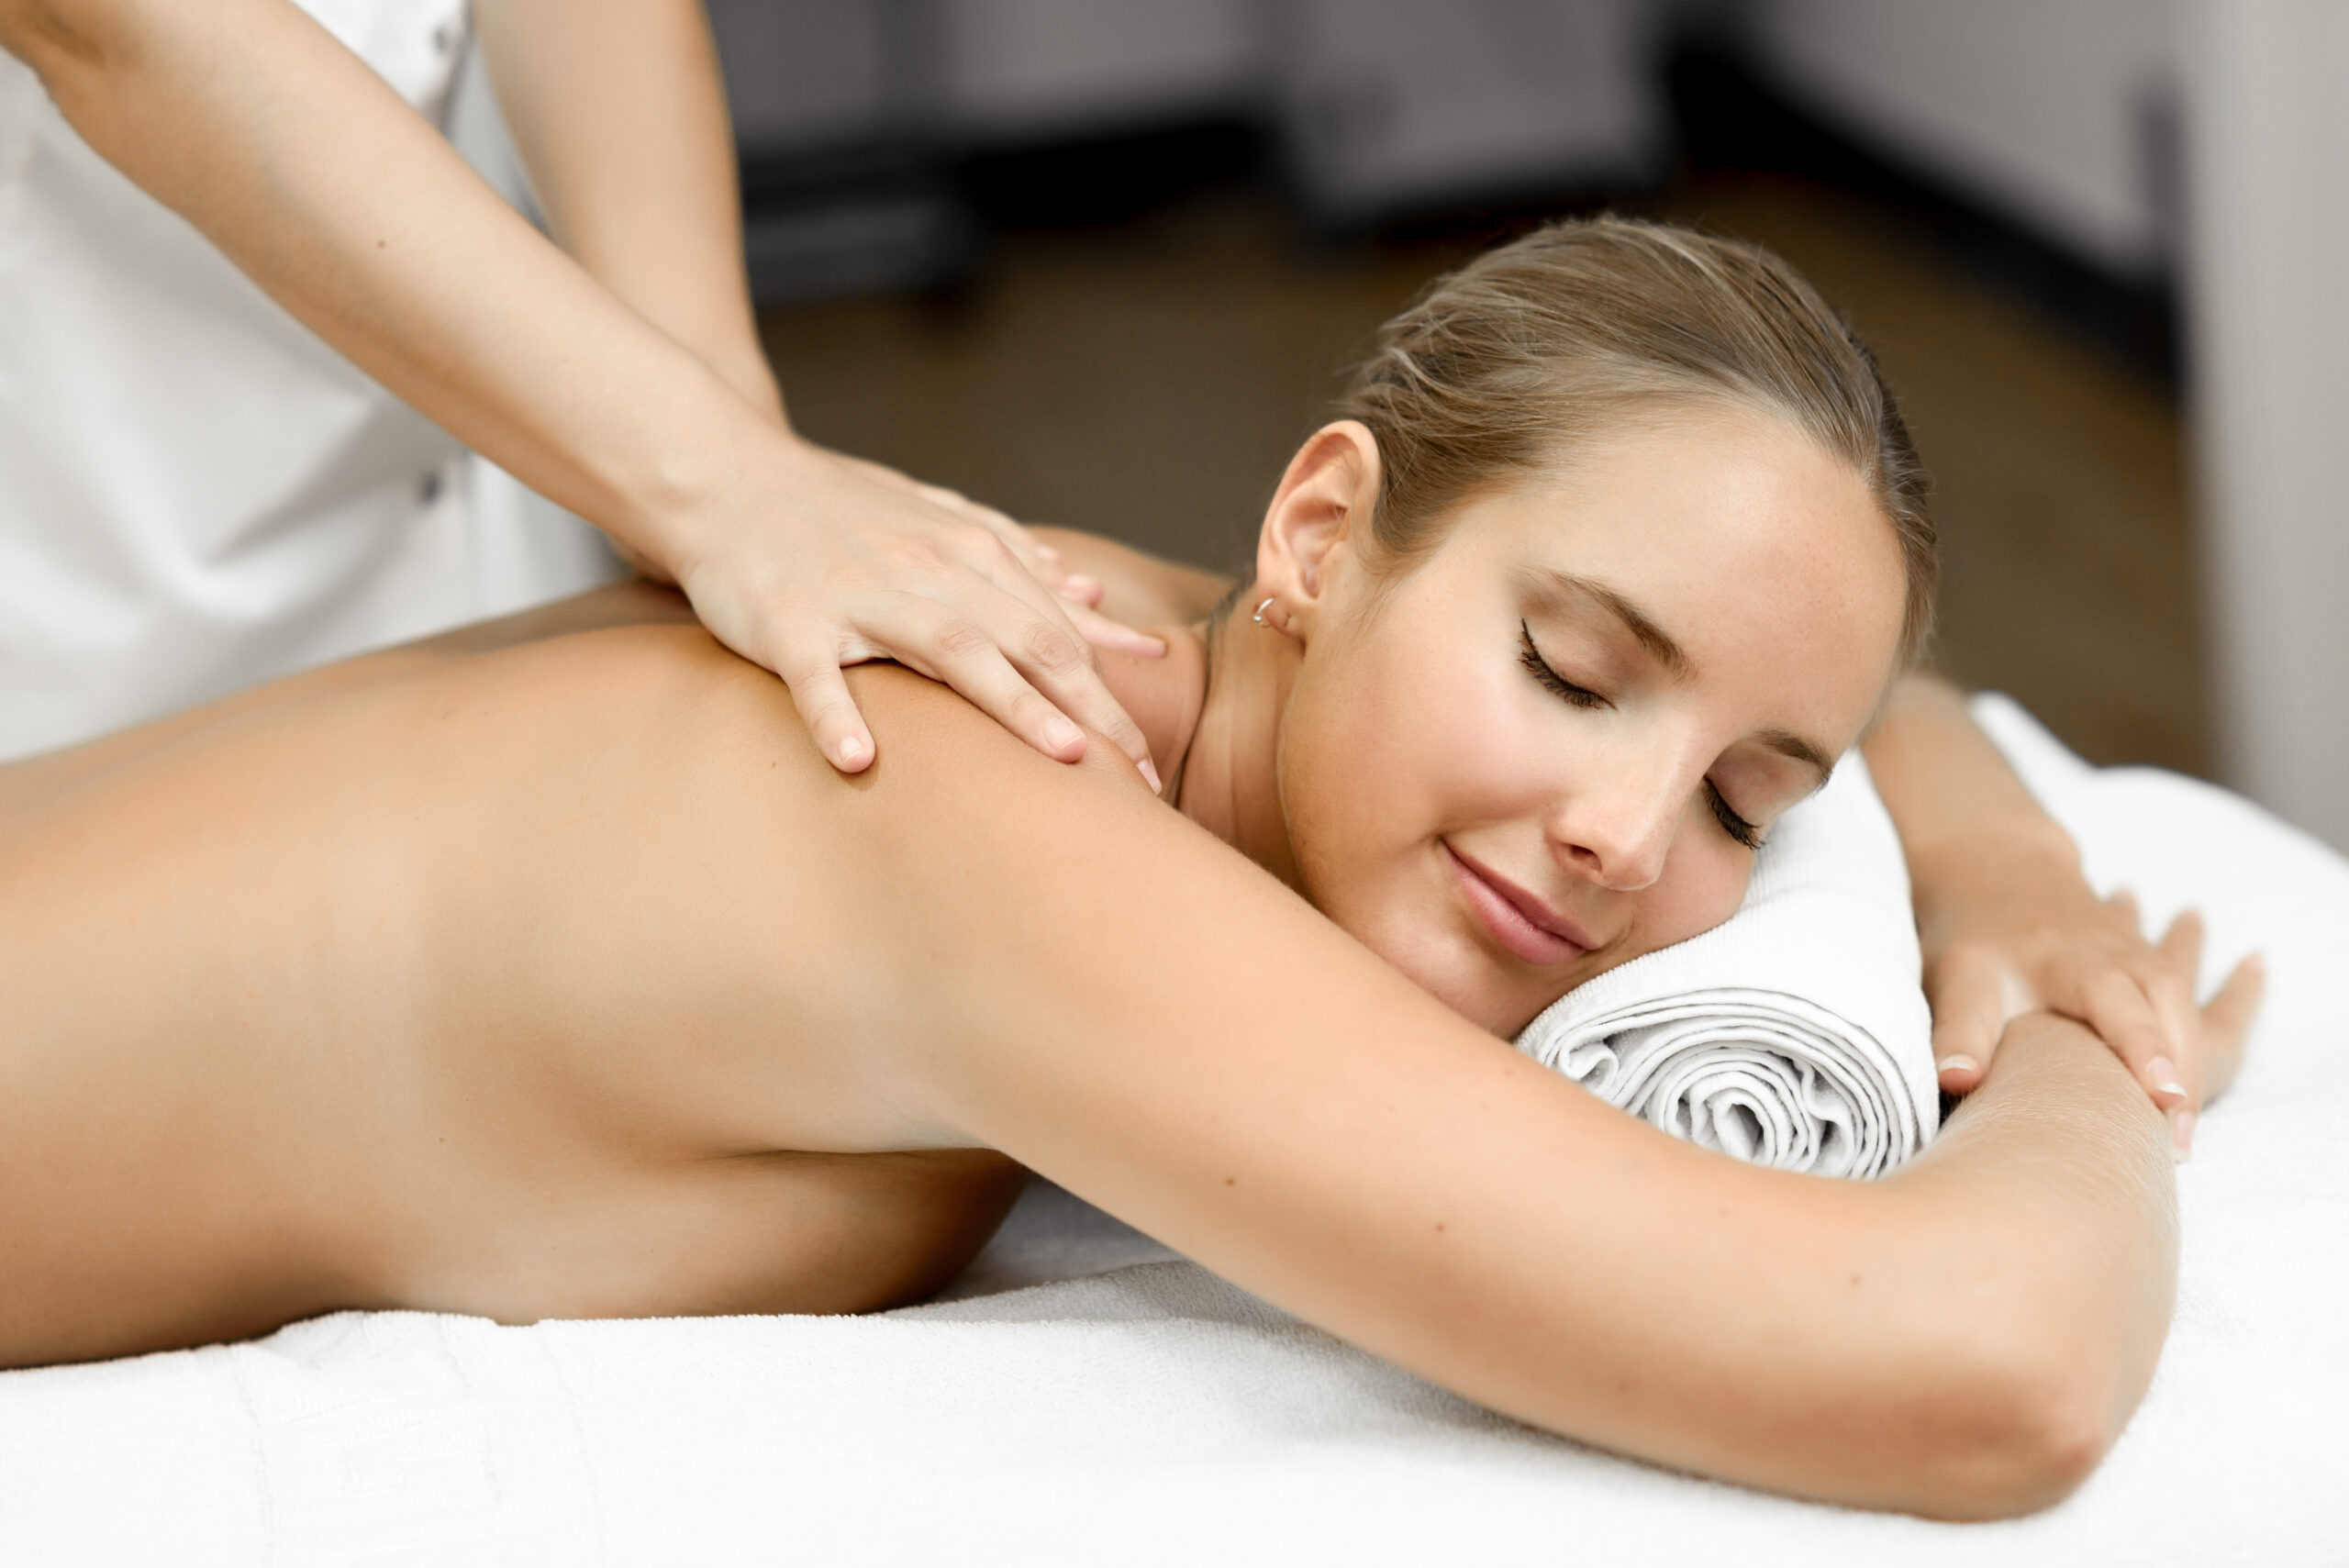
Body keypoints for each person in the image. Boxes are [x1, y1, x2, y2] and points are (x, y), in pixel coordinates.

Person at [0, 221, 2255, 1520]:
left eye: (1747, 807)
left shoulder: (1119, 631)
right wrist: (2075, 1055)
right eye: (1572, 670)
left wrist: (1992, 870)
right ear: (1313, 534)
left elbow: (1916, 726)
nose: (1620, 834)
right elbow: (1991, 1372)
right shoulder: (996, 807)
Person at [0, 0, 1162, 780]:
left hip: (526, 470)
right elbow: (123, 34)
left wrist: (718, 405)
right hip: (96, 549)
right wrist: (718, 482)